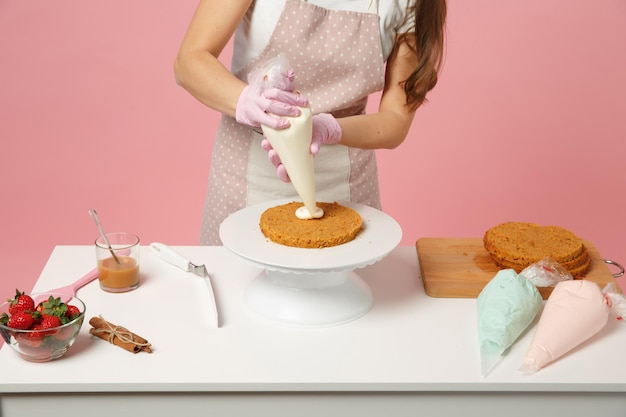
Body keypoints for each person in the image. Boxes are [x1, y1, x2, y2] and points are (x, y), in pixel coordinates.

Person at [174, 0, 447, 245]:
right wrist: (246, 101)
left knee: (340, 294)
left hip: (344, 187)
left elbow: (396, 119)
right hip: (246, 177)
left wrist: (329, 129)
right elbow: (190, 60)